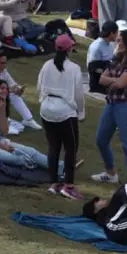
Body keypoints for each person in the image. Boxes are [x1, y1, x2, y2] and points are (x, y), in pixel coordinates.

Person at [92, 29, 127, 184]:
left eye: (121, 40)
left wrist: (115, 80)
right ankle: (111, 173)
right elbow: (101, 79)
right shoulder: (117, 57)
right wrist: (117, 80)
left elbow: (122, 83)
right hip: (112, 103)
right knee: (101, 139)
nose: (117, 42)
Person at [37, 35, 85, 201]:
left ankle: (53, 183)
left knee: (53, 146)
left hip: (47, 109)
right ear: (69, 49)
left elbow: (39, 87)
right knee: (71, 147)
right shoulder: (74, 68)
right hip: (65, 111)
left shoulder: (47, 65)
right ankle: (69, 186)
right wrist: (81, 112)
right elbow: (79, 94)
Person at [87, 20, 118, 93]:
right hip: (97, 82)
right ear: (111, 33)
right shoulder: (96, 47)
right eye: (116, 33)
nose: (117, 35)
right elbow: (93, 69)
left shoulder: (110, 45)